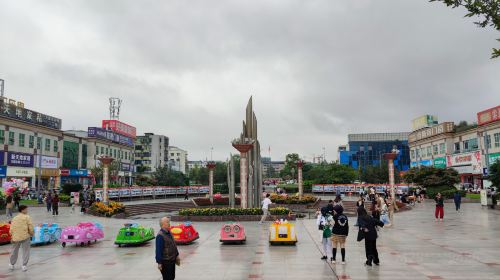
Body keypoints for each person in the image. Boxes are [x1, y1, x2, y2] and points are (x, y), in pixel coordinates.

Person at [8, 205, 34, 272]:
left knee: (14, 251)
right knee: (26, 251)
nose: (27, 211)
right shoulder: (27, 217)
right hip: (25, 236)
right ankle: (24, 265)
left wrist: (12, 236)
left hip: (15, 237)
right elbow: (30, 226)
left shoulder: (14, 218)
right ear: (22, 210)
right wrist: (32, 234)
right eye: (26, 209)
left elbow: (11, 228)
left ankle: (11, 264)